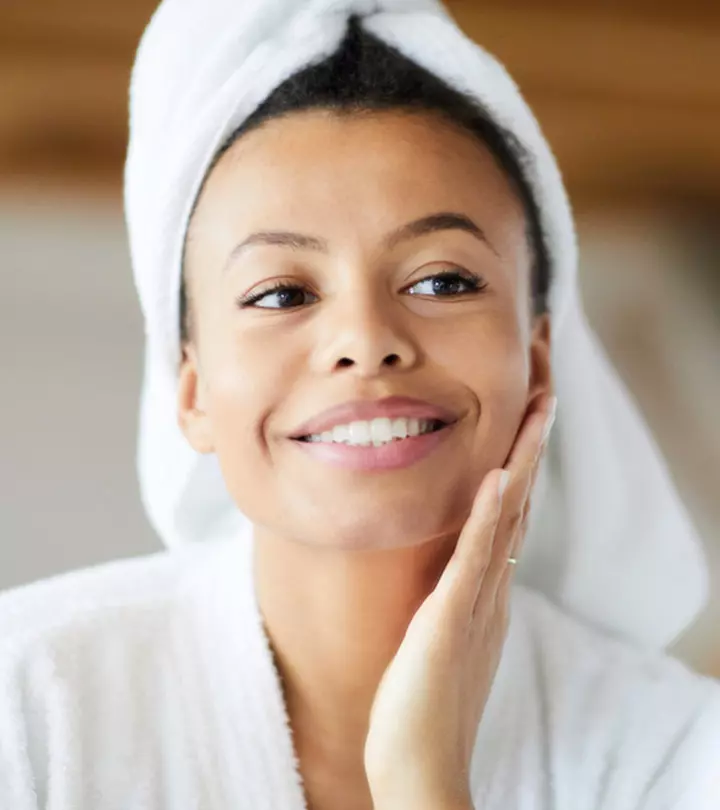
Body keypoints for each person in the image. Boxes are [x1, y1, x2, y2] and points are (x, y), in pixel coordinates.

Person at [1, 3, 719, 809]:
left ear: (538, 360)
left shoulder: (676, 755)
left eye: (442, 281)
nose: (366, 339)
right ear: (190, 388)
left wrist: (424, 778)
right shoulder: (30, 708)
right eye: (281, 293)